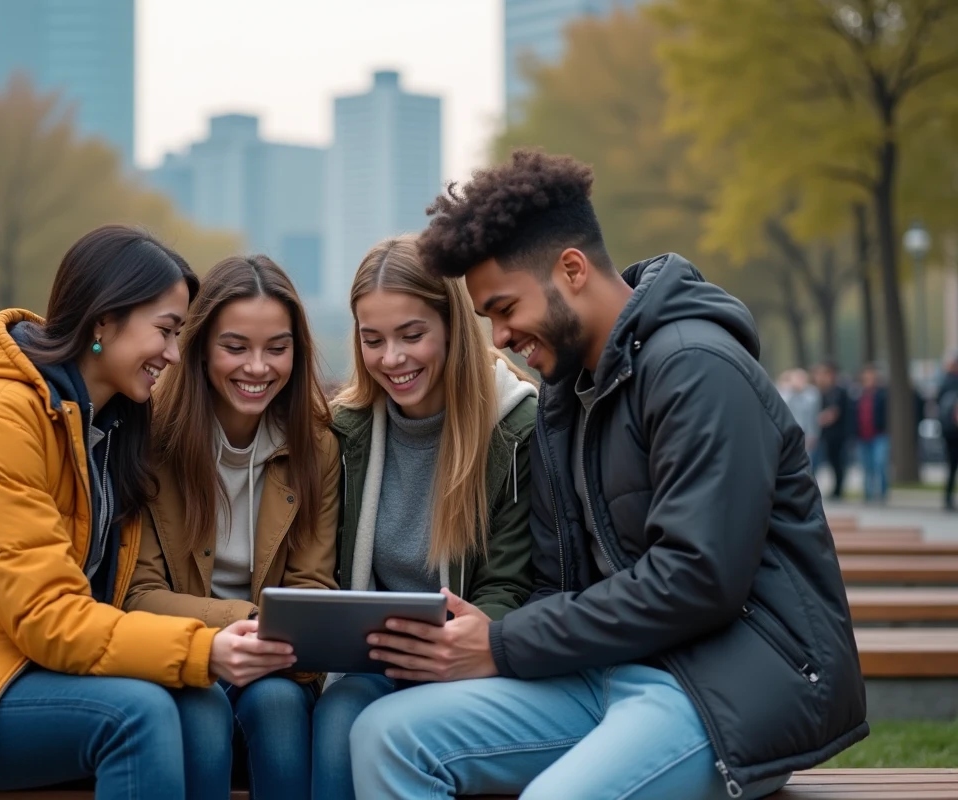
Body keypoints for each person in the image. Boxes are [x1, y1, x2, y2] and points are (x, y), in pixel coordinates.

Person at [348, 150, 868, 800]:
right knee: (385, 735)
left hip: (726, 685)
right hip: (607, 672)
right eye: (488, 318)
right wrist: (468, 645)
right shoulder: (565, 395)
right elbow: (552, 581)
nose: (500, 337)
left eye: (506, 308)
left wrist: (502, 645)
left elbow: (698, 578)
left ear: (571, 269)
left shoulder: (696, 368)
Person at [0, 225, 296, 799]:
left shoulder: (108, 428)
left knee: (198, 706)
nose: (175, 355)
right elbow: (48, 617)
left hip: (15, 670)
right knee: (140, 715)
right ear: (104, 321)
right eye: (166, 331)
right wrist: (204, 648)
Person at [312, 235, 536, 800]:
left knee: (399, 730)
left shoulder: (515, 428)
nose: (393, 358)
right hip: (371, 660)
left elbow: (508, 581)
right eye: (373, 340)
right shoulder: (344, 430)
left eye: (412, 335)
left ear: (452, 329)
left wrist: (456, 647)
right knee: (339, 717)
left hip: (466, 657)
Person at [126, 255, 339, 800]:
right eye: (235, 346)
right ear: (199, 349)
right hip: (180, 650)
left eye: (277, 347)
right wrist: (246, 621)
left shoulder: (316, 446)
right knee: (200, 709)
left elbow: (313, 585)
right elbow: (139, 594)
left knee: (280, 708)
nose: (258, 367)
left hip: (276, 666)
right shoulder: (151, 442)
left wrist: (267, 641)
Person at [813, 362, 851, 499]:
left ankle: (838, 490)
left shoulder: (838, 392)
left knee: (836, 463)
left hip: (836, 435)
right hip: (819, 435)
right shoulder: (816, 391)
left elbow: (835, 413)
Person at [854, 364, 889, 503]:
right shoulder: (858, 395)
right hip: (862, 435)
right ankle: (868, 493)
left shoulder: (882, 395)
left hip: (878, 434)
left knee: (879, 463)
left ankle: (882, 492)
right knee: (866, 465)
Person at [938, 354, 958, 511]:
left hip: (948, 430)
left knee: (951, 466)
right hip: (951, 430)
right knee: (951, 466)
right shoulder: (947, 382)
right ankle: (947, 497)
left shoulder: (944, 382)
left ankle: (947, 497)